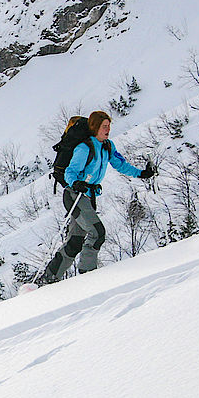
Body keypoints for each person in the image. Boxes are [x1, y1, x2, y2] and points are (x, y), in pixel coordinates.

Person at [40, 111, 155, 284]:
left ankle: (48, 278)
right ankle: (88, 276)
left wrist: (142, 174)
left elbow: (120, 165)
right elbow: (70, 172)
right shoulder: (84, 148)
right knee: (97, 232)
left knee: (75, 242)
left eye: (109, 126)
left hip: (88, 196)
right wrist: (75, 183)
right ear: (95, 127)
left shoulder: (108, 146)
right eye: (104, 126)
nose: (108, 129)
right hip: (75, 195)